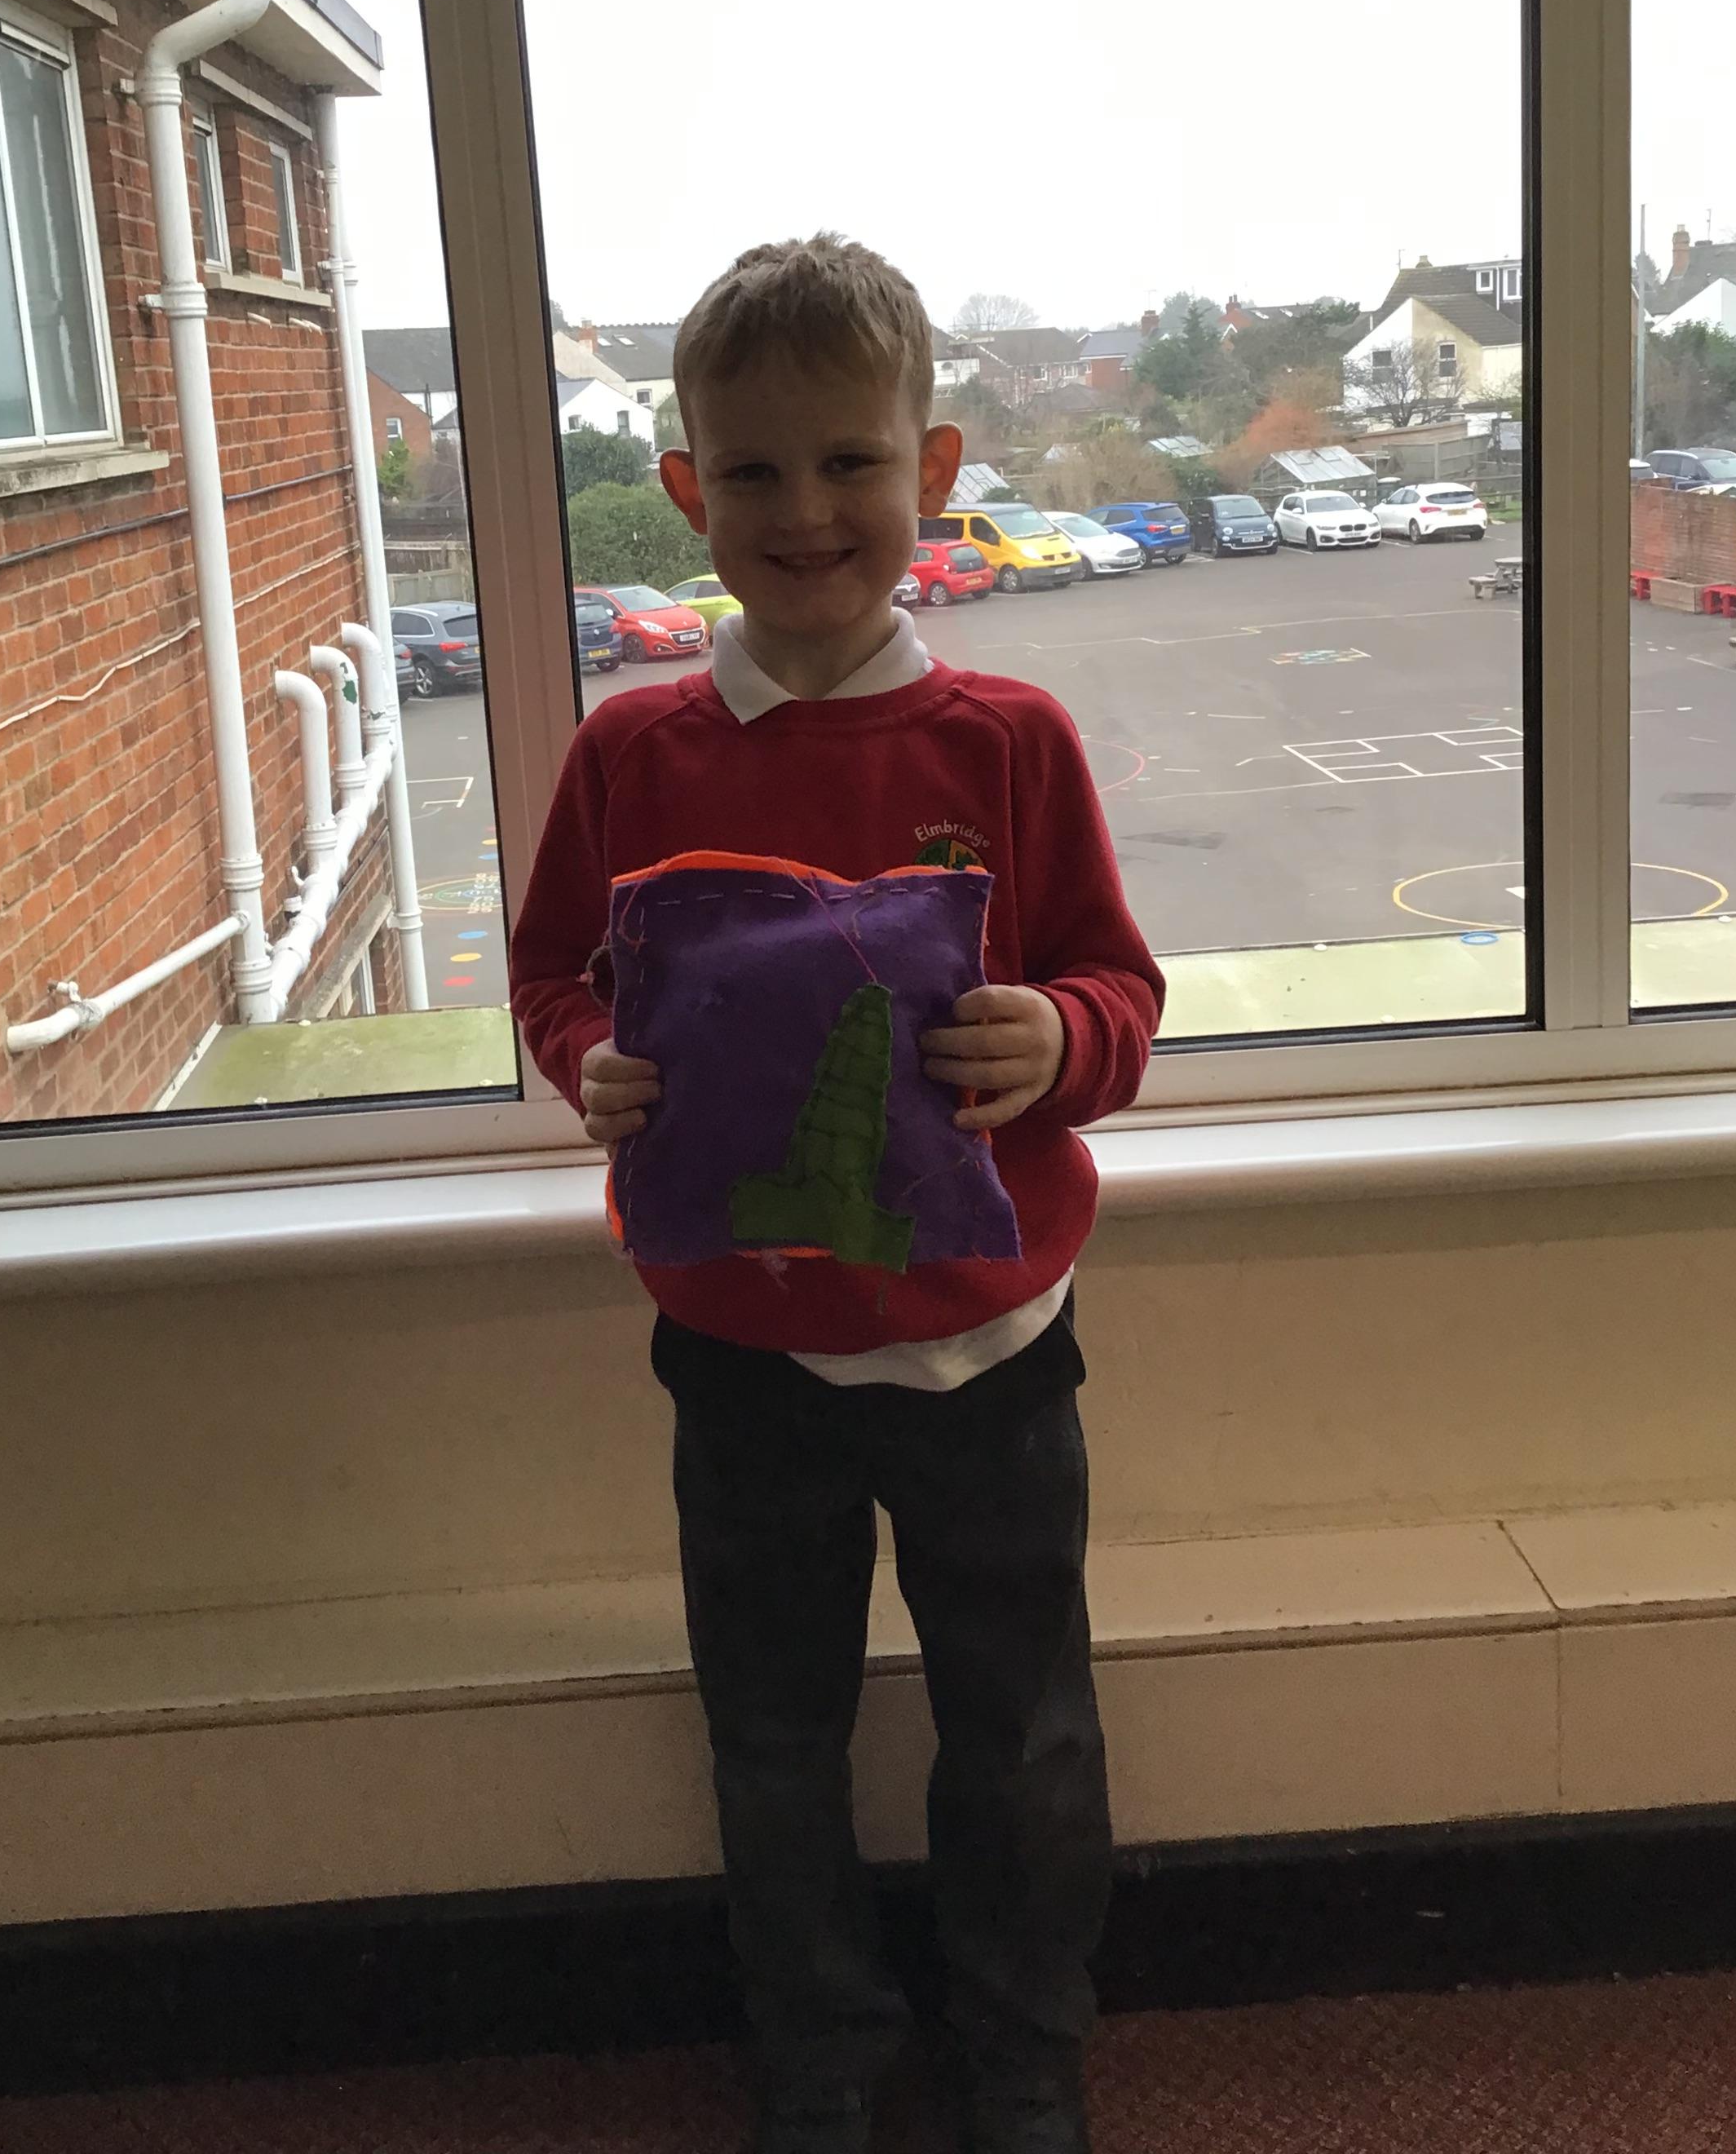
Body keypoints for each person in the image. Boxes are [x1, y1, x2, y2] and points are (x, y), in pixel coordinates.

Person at [509, 233, 1164, 2154]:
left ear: (932, 468)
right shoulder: (633, 751)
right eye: (759, 471)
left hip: (993, 1351)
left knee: (1024, 1734)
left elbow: (1121, 993)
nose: (809, 512)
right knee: (774, 1739)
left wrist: (1056, 1038)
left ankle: (1022, 2047)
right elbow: (554, 977)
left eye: (852, 461)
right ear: (689, 491)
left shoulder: (1010, 743)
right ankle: (821, 2058)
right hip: (743, 1355)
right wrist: (591, 1061)